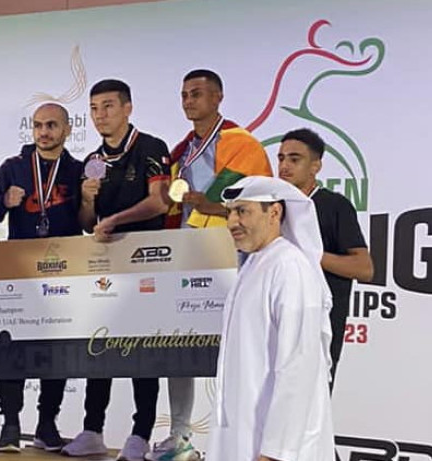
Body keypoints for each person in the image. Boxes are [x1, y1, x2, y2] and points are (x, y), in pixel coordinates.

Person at [150, 69, 272, 461]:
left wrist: (213, 205)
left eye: (197, 93)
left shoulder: (240, 143)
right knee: (179, 347)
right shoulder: (181, 151)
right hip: (187, 258)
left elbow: (259, 205)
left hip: (230, 260)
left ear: (218, 97)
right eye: (184, 94)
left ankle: (244, 440)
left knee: (238, 351)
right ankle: (180, 436)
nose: (189, 101)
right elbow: (171, 204)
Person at [62, 79, 170, 461]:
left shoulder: (151, 147)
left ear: (127, 108)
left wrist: (116, 220)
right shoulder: (92, 159)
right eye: (93, 108)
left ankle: (140, 434)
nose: (100, 115)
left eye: (108, 106)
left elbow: (160, 202)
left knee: (144, 350)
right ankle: (92, 430)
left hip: (146, 261)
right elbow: (86, 222)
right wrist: (88, 202)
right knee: (99, 345)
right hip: (105, 265)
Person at [207, 176, 335, 461]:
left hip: (278, 446)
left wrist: (276, 451)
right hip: (244, 431)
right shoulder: (255, 262)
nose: (231, 222)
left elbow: (298, 365)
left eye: (243, 211)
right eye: (230, 212)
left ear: (274, 212)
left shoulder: (290, 267)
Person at [0, 103, 84, 452]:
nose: (44, 132)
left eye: (52, 125)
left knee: (57, 350)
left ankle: (46, 423)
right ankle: (10, 425)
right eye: (38, 125)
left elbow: (87, 220)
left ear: (67, 129)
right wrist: (4, 201)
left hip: (64, 270)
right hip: (19, 271)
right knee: (11, 349)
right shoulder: (13, 167)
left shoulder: (77, 170)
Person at [277, 128, 373, 391]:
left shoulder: (335, 206)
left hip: (318, 324)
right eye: (281, 158)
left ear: (315, 166)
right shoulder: (270, 207)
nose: (284, 166)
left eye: (294, 159)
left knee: (311, 404)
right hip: (275, 319)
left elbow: (364, 268)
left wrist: (310, 254)